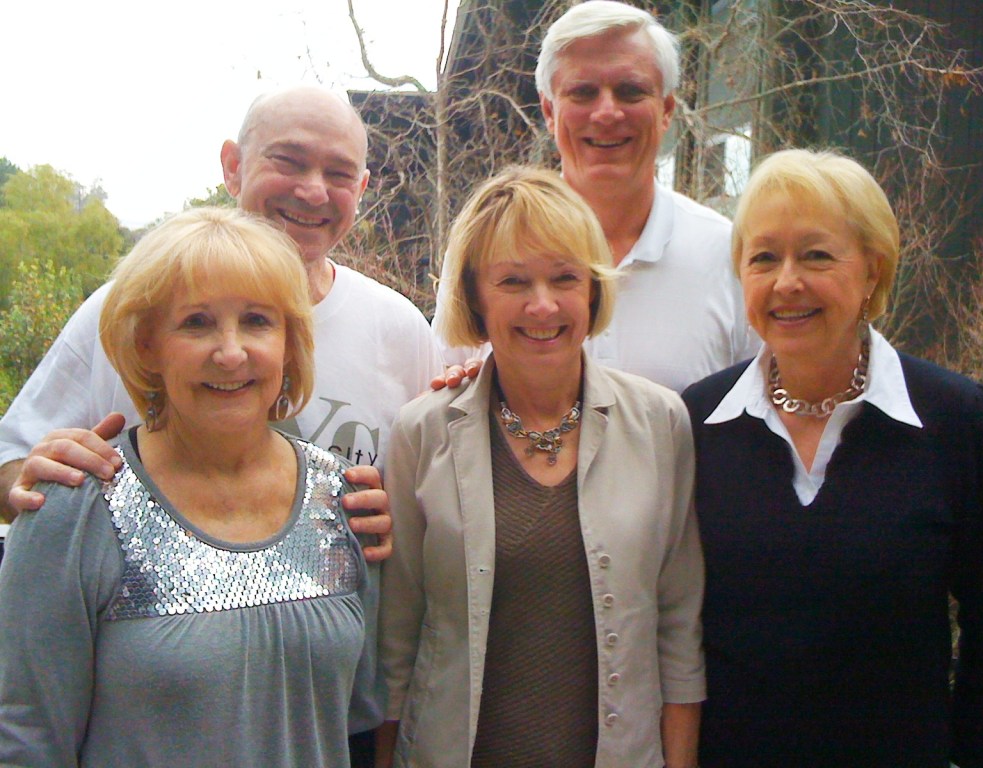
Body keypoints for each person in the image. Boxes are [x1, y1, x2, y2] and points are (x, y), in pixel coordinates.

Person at [0, 85, 444, 766]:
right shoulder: (123, 309)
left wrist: (395, 524)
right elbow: (27, 726)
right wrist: (41, 488)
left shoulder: (399, 333)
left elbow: (433, 498)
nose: (231, 354)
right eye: (289, 161)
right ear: (233, 166)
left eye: (337, 172)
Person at [682, 149, 983, 767]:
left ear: (872, 271)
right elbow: (670, 626)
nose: (787, 282)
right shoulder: (698, 421)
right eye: (763, 258)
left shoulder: (955, 419)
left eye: (816, 255)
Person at [0, 208, 370, 767]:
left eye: (257, 321)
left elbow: (362, 721)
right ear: (147, 345)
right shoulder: (74, 508)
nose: (231, 352)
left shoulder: (341, 501)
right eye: (196, 323)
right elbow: (26, 741)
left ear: (290, 342)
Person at [377, 166, 705, 768]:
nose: (543, 304)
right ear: (475, 298)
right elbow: (395, 644)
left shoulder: (660, 424)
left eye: (565, 277)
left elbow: (679, 630)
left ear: (593, 291)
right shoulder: (422, 433)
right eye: (513, 281)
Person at [434, 0, 756, 393]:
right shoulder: (487, 249)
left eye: (630, 91)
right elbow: (441, 392)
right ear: (549, 111)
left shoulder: (729, 257)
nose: (606, 113)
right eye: (583, 92)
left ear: (667, 109)